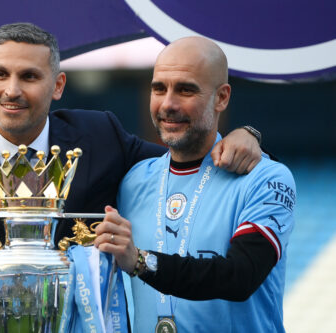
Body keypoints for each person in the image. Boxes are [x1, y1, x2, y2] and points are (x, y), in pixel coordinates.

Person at [0, 23, 264, 332]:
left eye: (29, 76)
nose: (12, 90)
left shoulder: (101, 137)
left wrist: (247, 138)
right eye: (1, 75)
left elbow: (187, 157)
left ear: (59, 85)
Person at [94, 36, 295, 333]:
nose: (168, 103)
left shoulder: (265, 178)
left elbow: (240, 277)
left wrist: (140, 262)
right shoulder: (133, 180)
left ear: (222, 98)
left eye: (186, 90)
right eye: (159, 88)